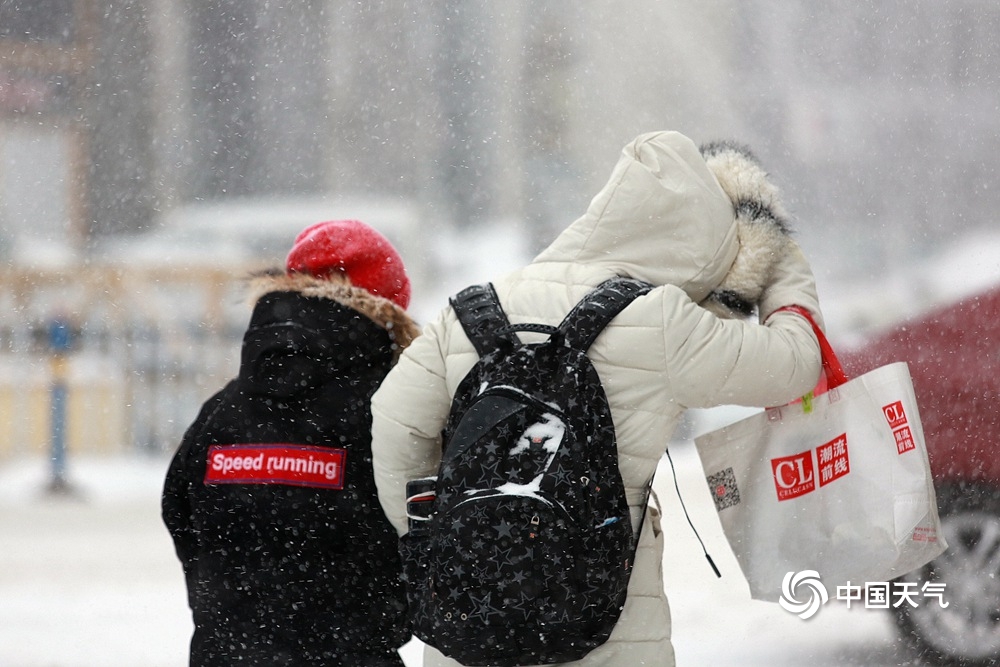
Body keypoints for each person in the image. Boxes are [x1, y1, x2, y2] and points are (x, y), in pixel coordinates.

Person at [370, 130, 826, 666]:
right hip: (604, 623)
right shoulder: (660, 321)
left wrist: (456, 540)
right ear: (701, 243)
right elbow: (797, 364)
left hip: (474, 626)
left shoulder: (469, 311)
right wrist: (778, 251)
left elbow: (394, 430)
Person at [162, 219, 421, 666]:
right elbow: (425, 534)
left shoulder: (221, 412)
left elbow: (180, 512)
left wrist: (232, 614)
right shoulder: (392, 409)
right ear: (389, 307)